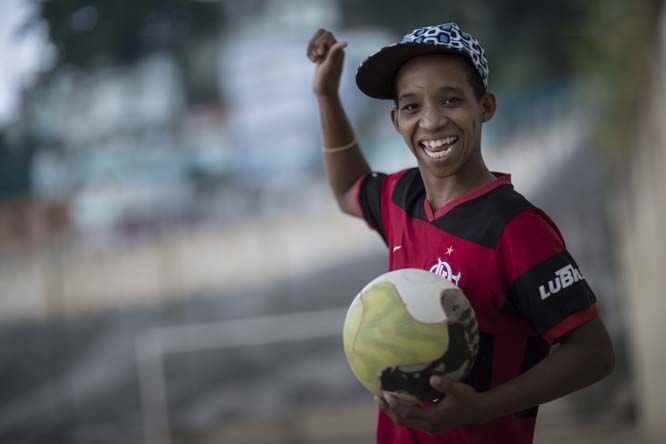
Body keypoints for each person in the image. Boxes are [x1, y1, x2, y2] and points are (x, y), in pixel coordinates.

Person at [306, 22, 615, 444]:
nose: (431, 121)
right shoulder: (402, 196)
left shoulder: (517, 229)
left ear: (484, 106)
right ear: (396, 120)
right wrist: (325, 96)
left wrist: (483, 407)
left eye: (451, 100)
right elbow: (346, 188)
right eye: (412, 107)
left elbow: (594, 353)